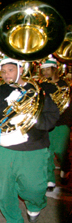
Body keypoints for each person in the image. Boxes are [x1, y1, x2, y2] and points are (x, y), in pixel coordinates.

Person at [0, 53, 59, 223]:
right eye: (3, 71)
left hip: (32, 147)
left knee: (34, 188)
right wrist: (6, 103)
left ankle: (35, 204)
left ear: (21, 69)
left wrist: (30, 118)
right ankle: (13, 220)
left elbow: (51, 116)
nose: (6, 75)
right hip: (4, 148)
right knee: (2, 188)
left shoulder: (37, 90)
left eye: (10, 70)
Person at [40, 57, 72, 190]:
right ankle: (50, 180)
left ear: (54, 69)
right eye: (43, 70)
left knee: (61, 151)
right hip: (47, 123)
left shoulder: (65, 85)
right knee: (46, 153)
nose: (45, 72)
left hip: (62, 122)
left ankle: (66, 168)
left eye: (48, 69)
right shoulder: (42, 86)